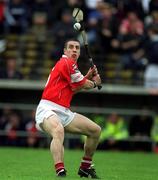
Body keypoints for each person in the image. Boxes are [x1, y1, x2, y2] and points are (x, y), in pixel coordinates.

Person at [35, 39, 102, 178]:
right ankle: (60, 171)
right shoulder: (66, 62)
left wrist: (87, 77)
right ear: (65, 51)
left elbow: (75, 89)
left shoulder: (70, 67)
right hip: (48, 108)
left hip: (64, 111)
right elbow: (86, 85)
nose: (74, 50)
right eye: (70, 47)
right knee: (58, 130)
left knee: (95, 131)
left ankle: (85, 166)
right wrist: (95, 83)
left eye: (77, 48)